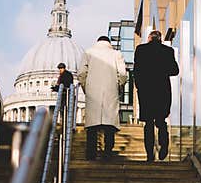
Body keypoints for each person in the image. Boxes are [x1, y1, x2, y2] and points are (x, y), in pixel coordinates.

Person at [77, 35, 128, 160]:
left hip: (92, 91)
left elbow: (81, 73)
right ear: (109, 43)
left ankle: (91, 154)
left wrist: (86, 87)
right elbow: (122, 74)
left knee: (92, 126)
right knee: (109, 125)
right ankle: (107, 152)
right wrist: (119, 85)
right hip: (111, 91)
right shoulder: (116, 54)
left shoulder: (88, 53)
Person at [133, 29, 179, 162]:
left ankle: (149, 155)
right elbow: (175, 70)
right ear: (160, 39)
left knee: (148, 123)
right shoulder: (167, 51)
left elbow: (136, 70)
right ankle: (164, 145)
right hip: (162, 90)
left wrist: (139, 86)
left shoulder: (141, 50)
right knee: (161, 120)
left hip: (146, 91)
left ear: (149, 38)